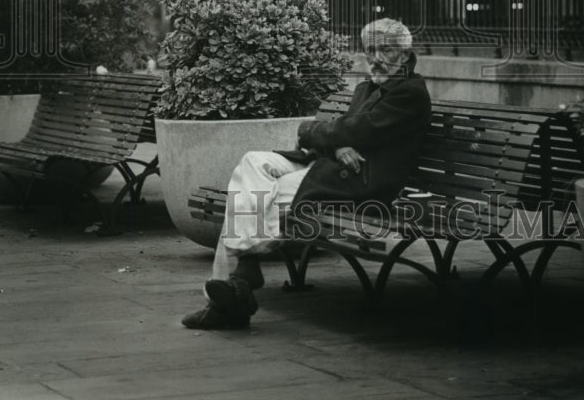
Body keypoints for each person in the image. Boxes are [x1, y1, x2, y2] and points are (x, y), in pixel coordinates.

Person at [181, 17, 432, 330]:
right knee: (252, 163)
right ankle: (243, 269)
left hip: (359, 185)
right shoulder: (367, 88)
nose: (376, 59)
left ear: (406, 57)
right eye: (371, 51)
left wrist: (322, 134)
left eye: (387, 51)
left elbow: (354, 130)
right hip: (330, 167)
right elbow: (342, 135)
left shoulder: (409, 94)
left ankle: (230, 292)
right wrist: (337, 145)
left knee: (263, 196)